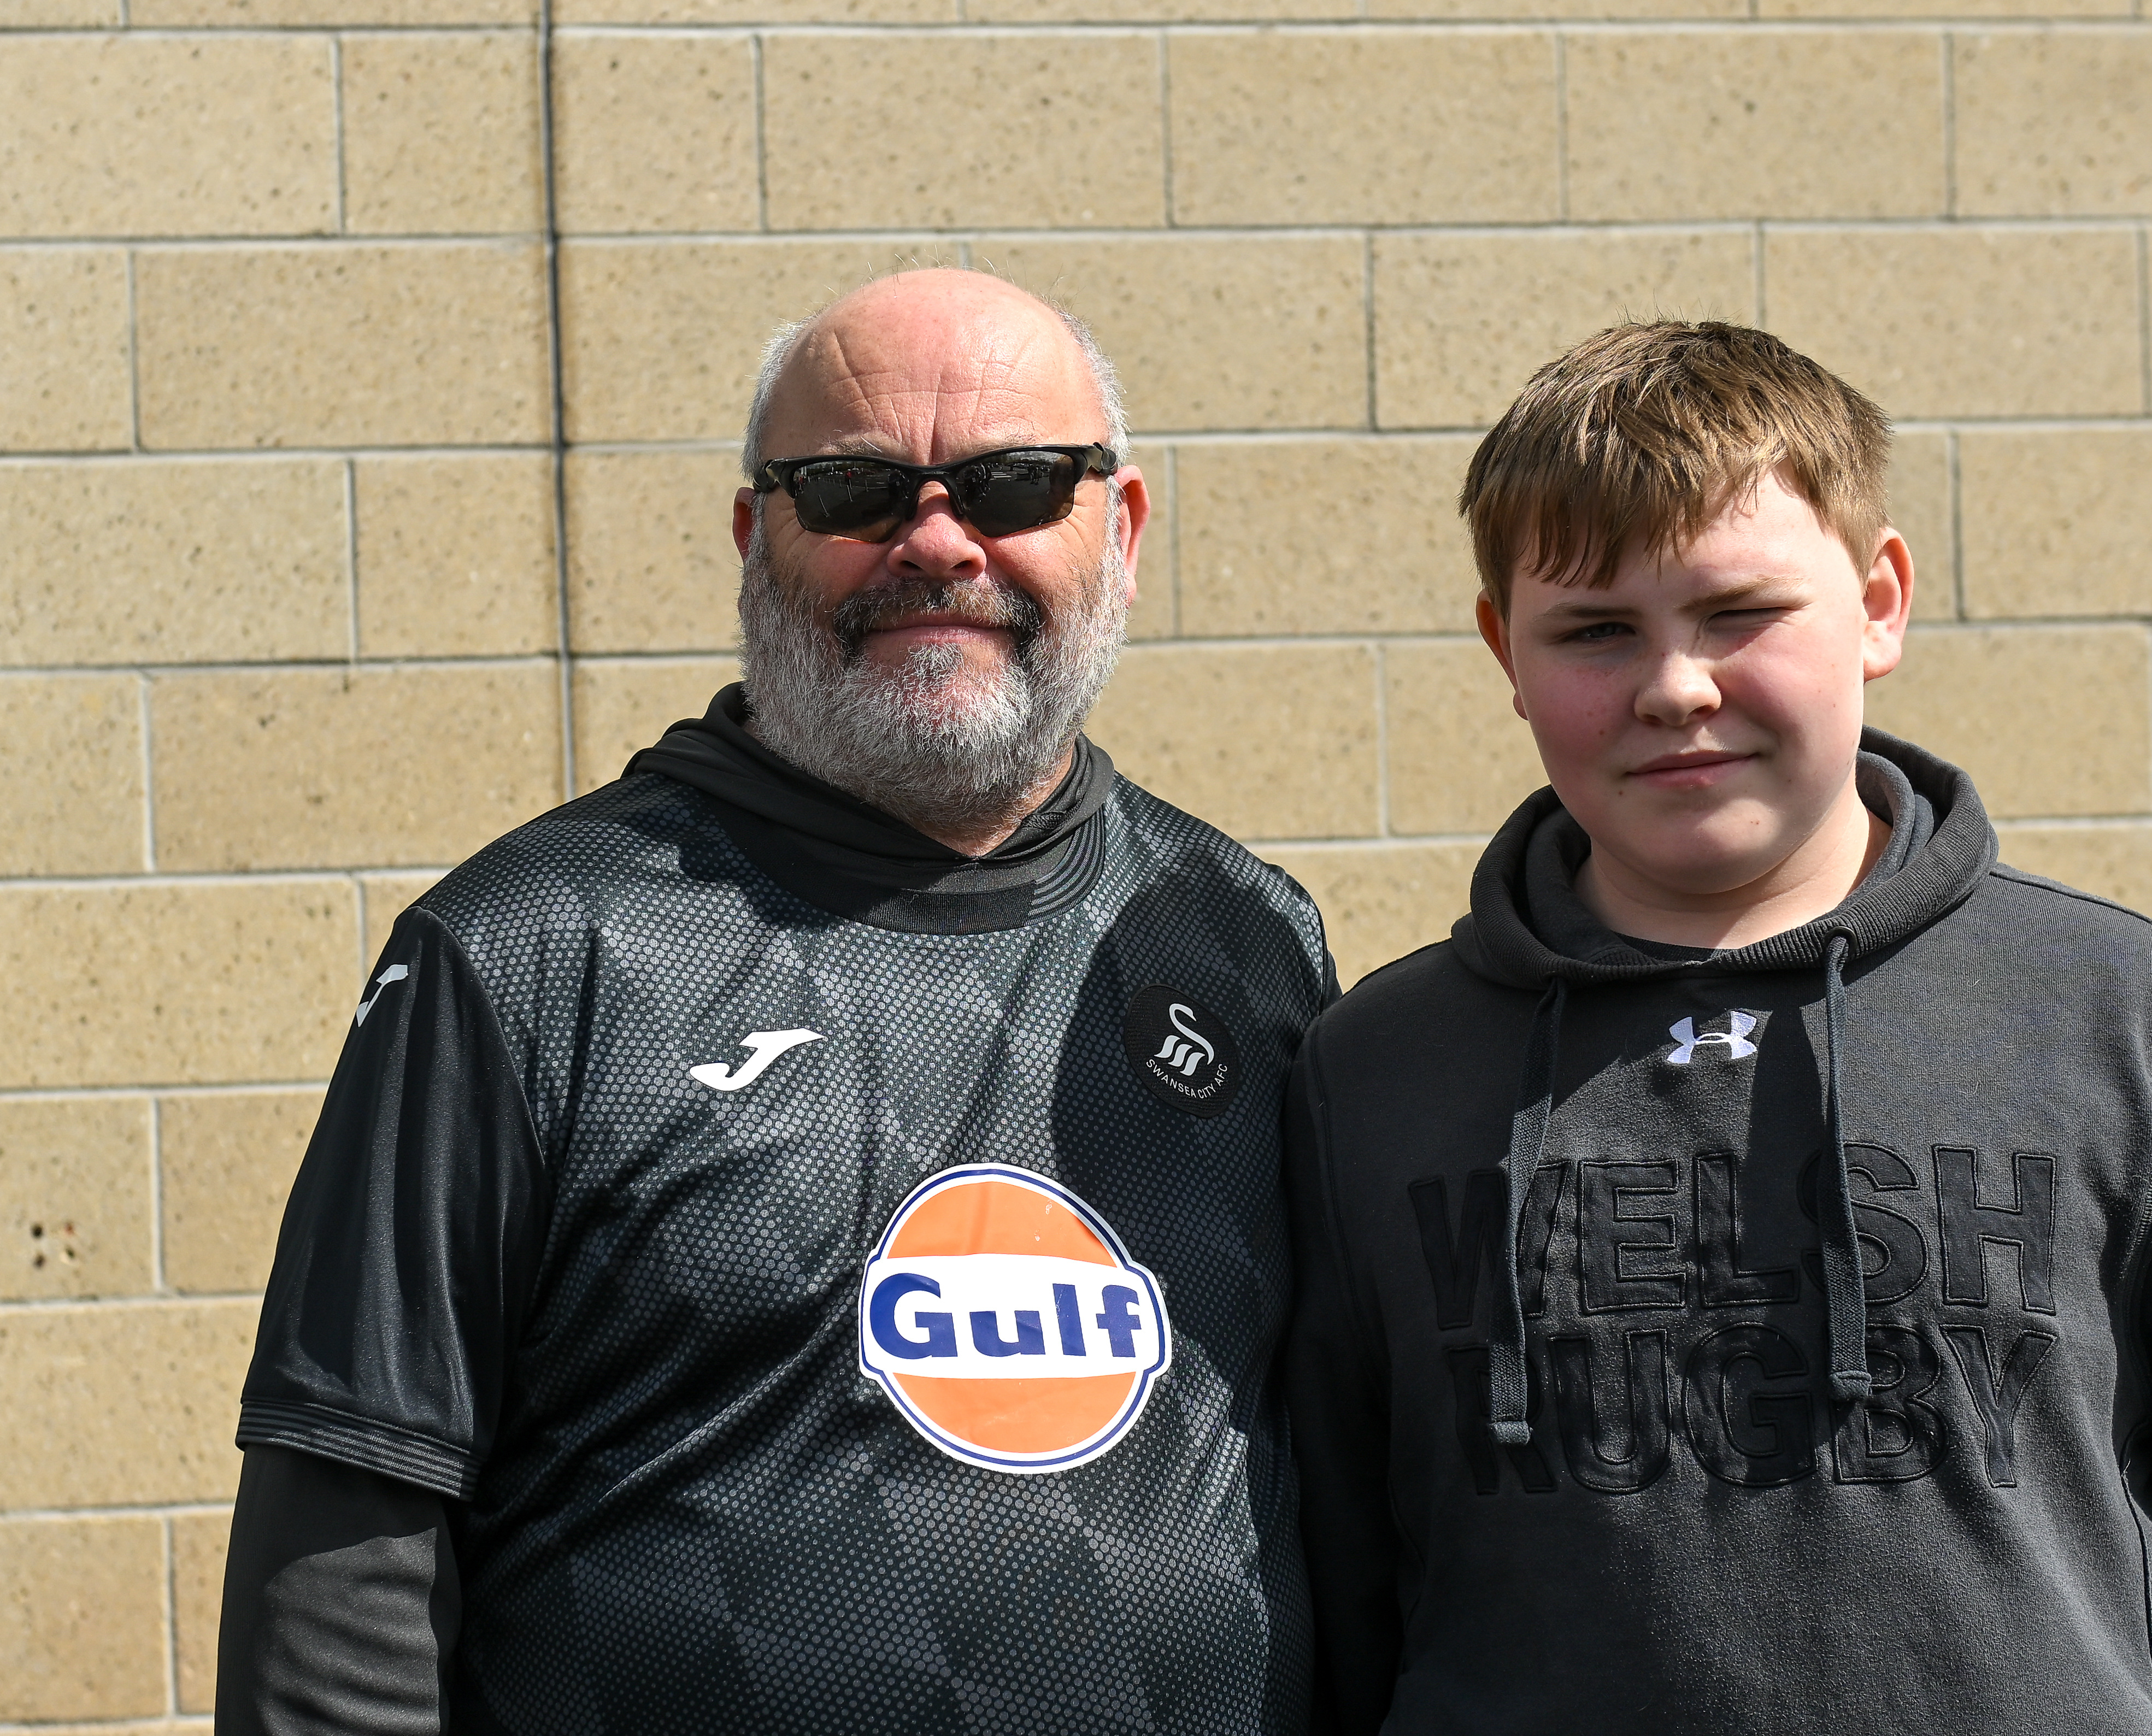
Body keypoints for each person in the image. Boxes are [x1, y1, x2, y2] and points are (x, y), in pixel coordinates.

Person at [1280, 322, 2152, 1734]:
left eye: (1739, 612)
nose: (1676, 687)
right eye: (1597, 631)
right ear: (1506, 652)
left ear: (1879, 602)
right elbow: (1331, 1591)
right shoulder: (1377, 1071)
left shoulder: (2127, 1017)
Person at [216, 269, 1334, 1734]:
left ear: (1119, 530)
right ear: (756, 538)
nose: (937, 541)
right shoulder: (528, 950)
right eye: (854, 490)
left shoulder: (1246, 938)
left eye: (1012, 484)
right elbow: (342, 1566)